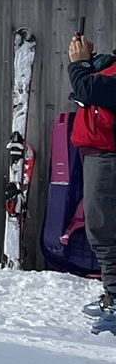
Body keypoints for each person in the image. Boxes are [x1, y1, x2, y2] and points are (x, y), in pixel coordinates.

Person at [66, 24, 116, 320]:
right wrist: (88, 59)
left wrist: (80, 64)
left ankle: (114, 300)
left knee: (103, 229)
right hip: (100, 155)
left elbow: (88, 87)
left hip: (108, 158)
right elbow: (96, 75)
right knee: (103, 227)